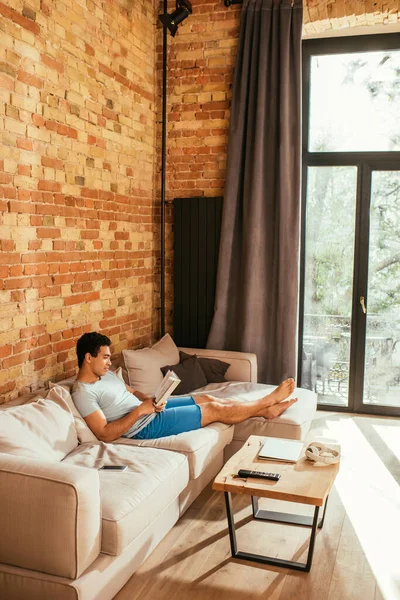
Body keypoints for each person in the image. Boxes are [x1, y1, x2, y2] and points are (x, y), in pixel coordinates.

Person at [72, 332, 298, 443]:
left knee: (206, 398)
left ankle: (266, 411)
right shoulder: (83, 393)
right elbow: (103, 433)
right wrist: (141, 410)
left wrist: (150, 399)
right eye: (105, 358)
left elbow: (130, 392)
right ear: (88, 358)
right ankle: (266, 402)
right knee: (214, 409)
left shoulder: (106, 375)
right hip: (143, 426)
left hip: (149, 409)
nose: (110, 362)